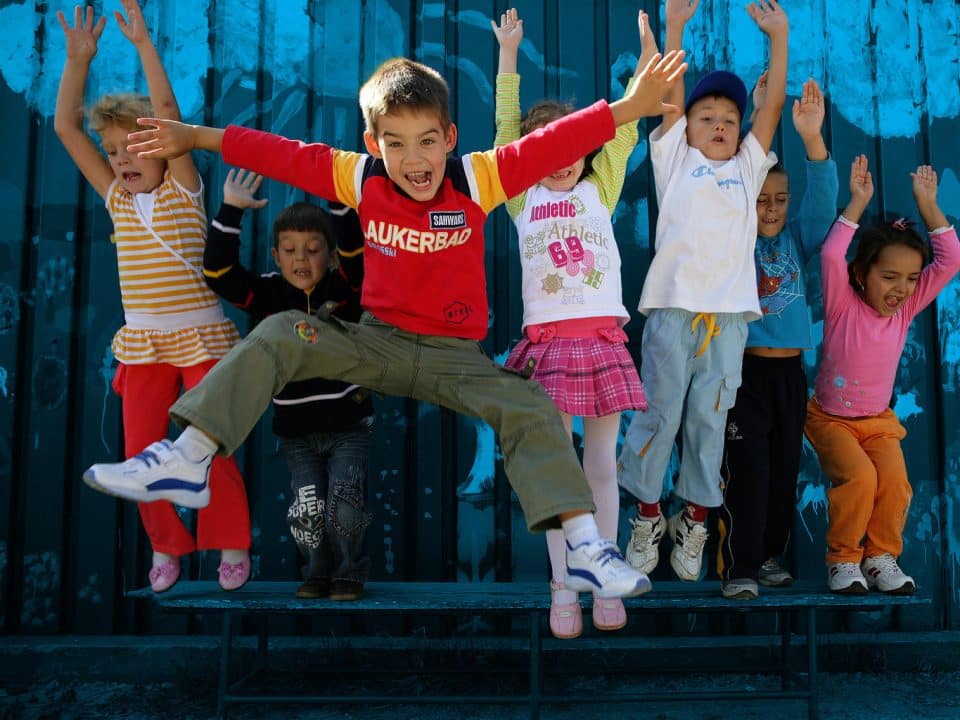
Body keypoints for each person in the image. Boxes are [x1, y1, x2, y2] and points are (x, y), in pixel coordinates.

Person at [83, 48, 690, 600]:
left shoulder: (476, 178)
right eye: (395, 143)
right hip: (377, 342)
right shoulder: (360, 177)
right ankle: (189, 455)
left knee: (529, 404)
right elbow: (280, 153)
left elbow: (548, 146)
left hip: (455, 356)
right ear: (374, 144)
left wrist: (629, 108)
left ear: (450, 138)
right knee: (276, 334)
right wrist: (195, 136)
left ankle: (586, 546)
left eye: (427, 141)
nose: (414, 159)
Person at [54, 2, 250, 593]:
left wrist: (143, 45)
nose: (121, 159)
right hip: (143, 342)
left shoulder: (185, 190)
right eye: (113, 150)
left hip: (199, 335)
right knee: (139, 454)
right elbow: (66, 128)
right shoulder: (116, 197)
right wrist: (77, 61)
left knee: (208, 443)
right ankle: (167, 544)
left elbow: (168, 113)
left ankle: (231, 542)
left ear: (162, 148)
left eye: (134, 147)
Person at [491, 8, 650, 637]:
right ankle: (562, 584)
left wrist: (648, 53)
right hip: (550, 349)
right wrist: (509, 56)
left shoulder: (600, 186)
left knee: (602, 467)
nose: (560, 160)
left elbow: (629, 121)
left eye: (570, 148)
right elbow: (505, 131)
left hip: (602, 344)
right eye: (544, 149)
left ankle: (602, 575)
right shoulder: (522, 195)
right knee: (559, 473)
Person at [618, 0, 786, 582]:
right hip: (671, 313)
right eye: (705, 115)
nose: (718, 125)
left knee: (708, 422)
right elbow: (668, 96)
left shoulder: (746, 169)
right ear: (685, 126)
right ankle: (645, 517)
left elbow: (771, 112)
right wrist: (675, 28)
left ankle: (693, 520)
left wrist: (779, 38)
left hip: (728, 322)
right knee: (659, 415)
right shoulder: (675, 160)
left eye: (729, 119)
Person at [203, 170, 374, 601]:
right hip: (295, 433)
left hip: (347, 425)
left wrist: (338, 204)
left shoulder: (347, 289)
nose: (302, 259)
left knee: (346, 503)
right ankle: (317, 572)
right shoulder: (266, 294)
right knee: (308, 510)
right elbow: (218, 272)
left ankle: (350, 573)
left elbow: (359, 256)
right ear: (276, 257)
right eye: (291, 251)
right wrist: (232, 209)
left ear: (330, 257)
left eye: (314, 250)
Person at [804, 156, 960, 594]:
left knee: (894, 482)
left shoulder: (906, 309)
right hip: (831, 419)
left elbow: (948, 262)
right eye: (889, 276)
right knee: (861, 478)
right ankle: (843, 560)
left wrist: (929, 206)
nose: (902, 288)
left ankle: (879, 557)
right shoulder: (842, 303)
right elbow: (834, 252)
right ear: (861, 275)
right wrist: (857, 203)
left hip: (878, 422)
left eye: (911, 279)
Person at [716, 77, 838, 600]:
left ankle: (769, 556)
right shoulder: (733, 235)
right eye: (762, 199)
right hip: (744, 371)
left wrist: (812, 138)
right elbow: (732, 179)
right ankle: (739, 565)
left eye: (780, 199)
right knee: (749, 469)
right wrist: (759, 115)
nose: (770, 208)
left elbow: (823, 198)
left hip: (790, 374)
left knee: (785, 467)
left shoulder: (798, 237)